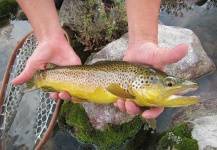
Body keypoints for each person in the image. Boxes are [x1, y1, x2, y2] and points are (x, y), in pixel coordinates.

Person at [12, 0, 188, 119]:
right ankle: (41, 79)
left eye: (169, 84)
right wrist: (48, 36)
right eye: (169, 84)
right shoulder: (133, 88)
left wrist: (144, 38)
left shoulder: (136, 84)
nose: (171, 86)